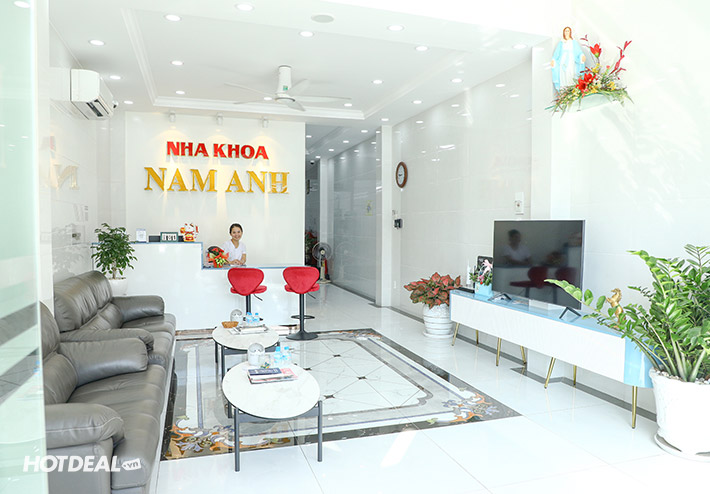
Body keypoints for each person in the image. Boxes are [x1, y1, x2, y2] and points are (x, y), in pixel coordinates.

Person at [551, 26, 586, 91]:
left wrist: (582, 56)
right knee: (563, 73)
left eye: (568, 31)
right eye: (565, 31)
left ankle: (571, 87)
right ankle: (563, 88)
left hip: (571, 59)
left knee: (570, 72)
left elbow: (579, 52)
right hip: (562, 60)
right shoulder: (561, 42)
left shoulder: (573, 42)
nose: (567, 32)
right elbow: (557, 53)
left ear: (570, 32)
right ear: (563, 32)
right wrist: (553, 59)